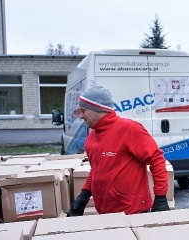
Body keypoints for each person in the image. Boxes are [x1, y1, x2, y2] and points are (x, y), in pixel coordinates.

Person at [68, 85, 170, 216]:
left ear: (98, 109)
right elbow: (97, 170)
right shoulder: (91, 138)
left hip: (133, 212)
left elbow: (157, 159)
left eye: (83, 110)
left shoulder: (129, 129)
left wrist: (161, 197)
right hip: (105, 213)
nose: (81, 116)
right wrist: (84, 195)